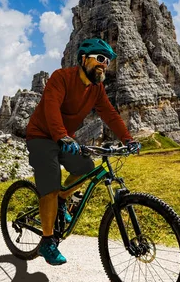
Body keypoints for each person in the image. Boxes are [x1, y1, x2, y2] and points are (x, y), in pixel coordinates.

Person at [25, 38, 135, 265]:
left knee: (86, 166)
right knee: (51, 183)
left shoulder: (96, 89)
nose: (104, 64)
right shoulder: (61, 77)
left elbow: (110, 114)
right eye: (100, 59)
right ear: (84, 59)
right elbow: (51, 107)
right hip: (41, 136)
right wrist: (61, 135)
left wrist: (127, 138)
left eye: (107, 61)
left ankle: (62, 201)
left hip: (64, 138)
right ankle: (47, 241)